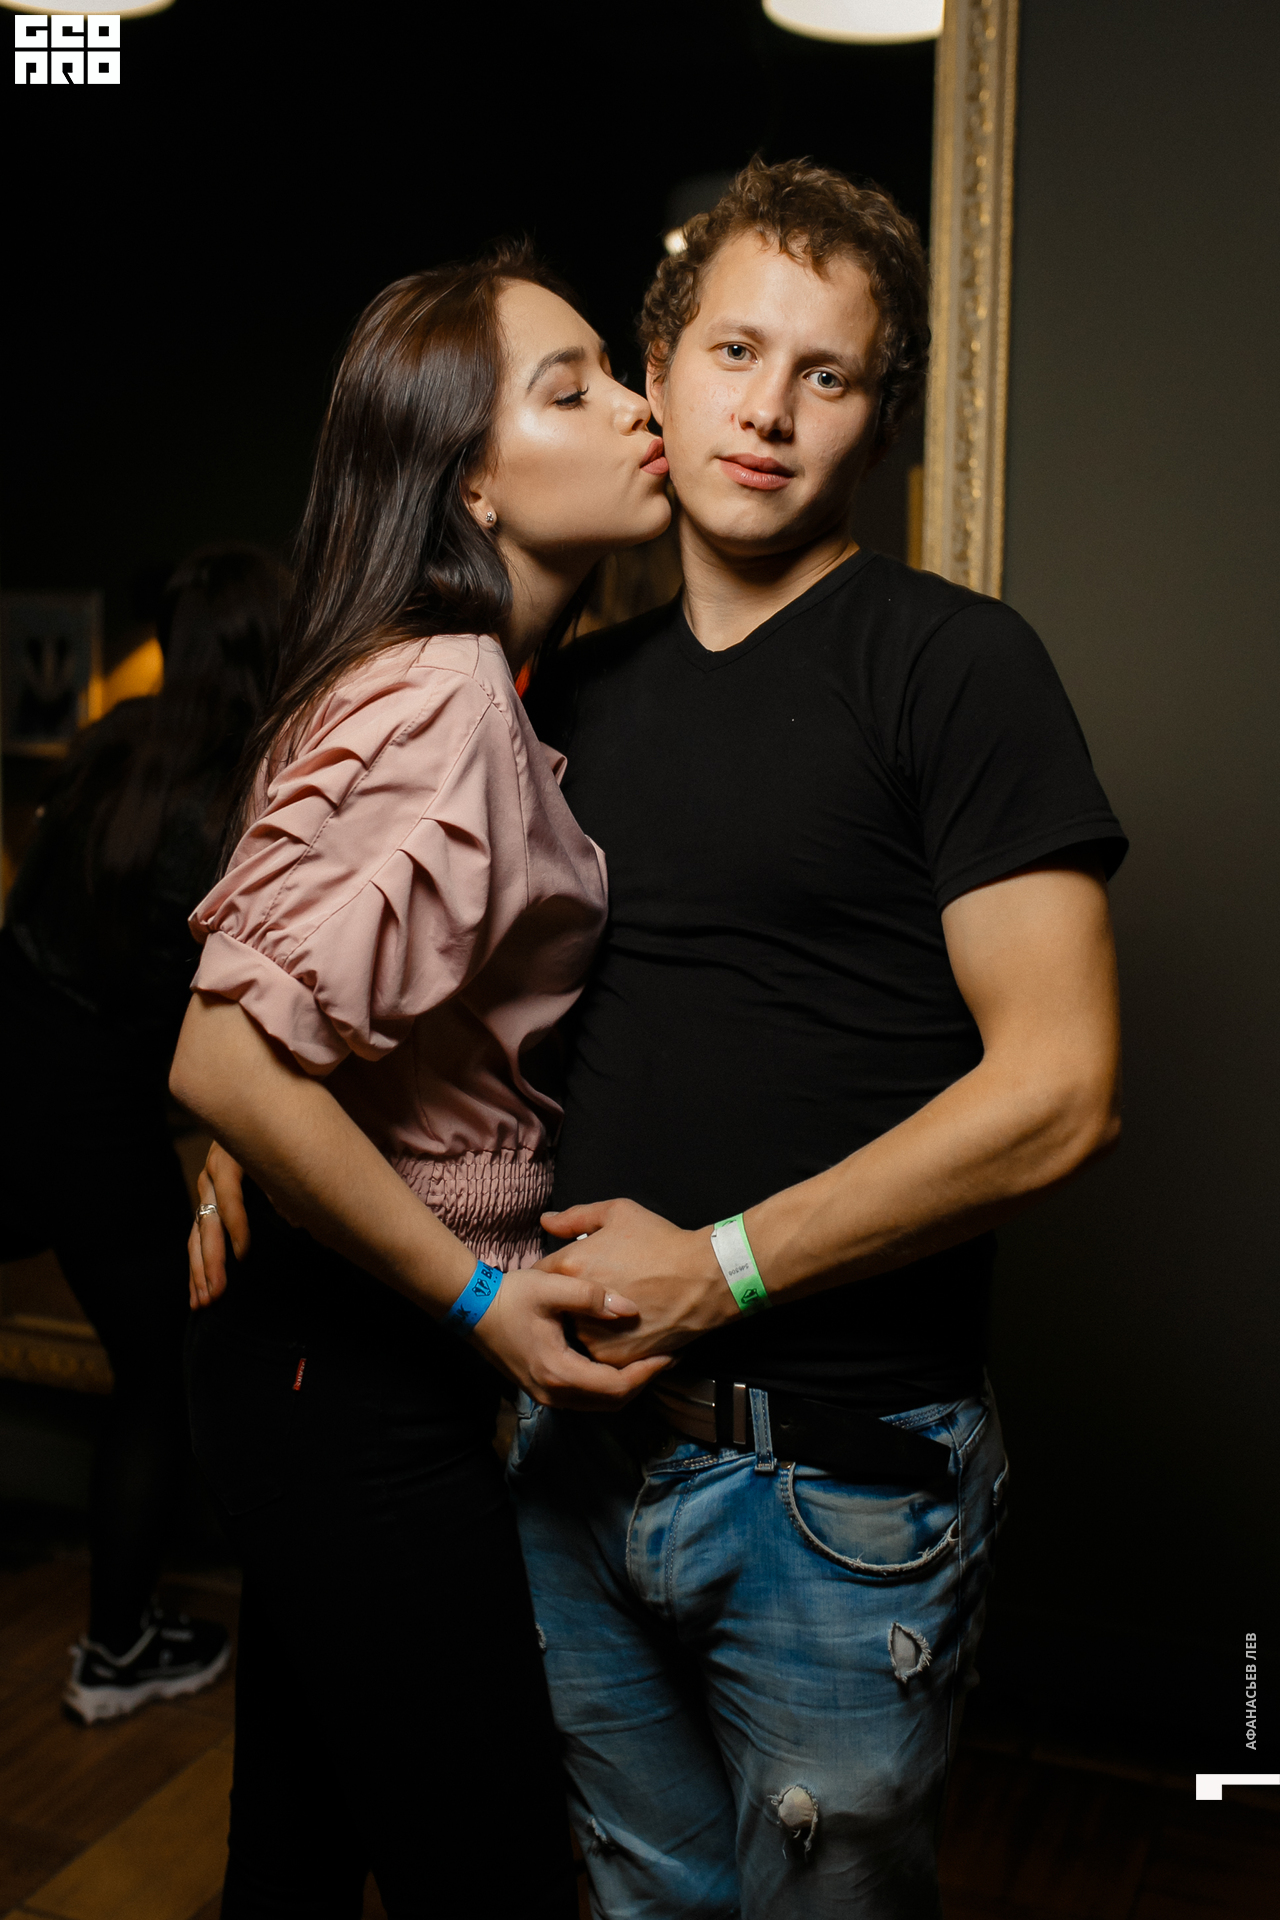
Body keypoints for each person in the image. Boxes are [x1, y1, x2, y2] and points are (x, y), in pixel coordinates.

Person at [503, 157, 1127, 1919]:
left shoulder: (957, 667)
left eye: (826, 373)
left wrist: (720, 1269)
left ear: (877, 418)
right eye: (734, 352)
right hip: (575, 1448)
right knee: (641, 1901)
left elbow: (1064, 1091)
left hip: (834, 1493)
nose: (768, 411)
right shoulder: (568, 692)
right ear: (659, 371)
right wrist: (258, 1140)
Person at [168, 242, 673, 1920]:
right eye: (573, 389)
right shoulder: (446, 691)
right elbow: (224, 1053)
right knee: (493, 1875)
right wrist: (479, 1298)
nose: (638, 407)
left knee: (300, 1851)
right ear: (471, 483)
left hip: (314, 1357)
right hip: (354, 1371)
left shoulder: (442, 676)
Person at [0, 545, 288, 1723]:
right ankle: (116, 1649)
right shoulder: (237, 803)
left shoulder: (113, 742)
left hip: (23, 1082)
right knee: (161, 1375)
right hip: (92, 1123)